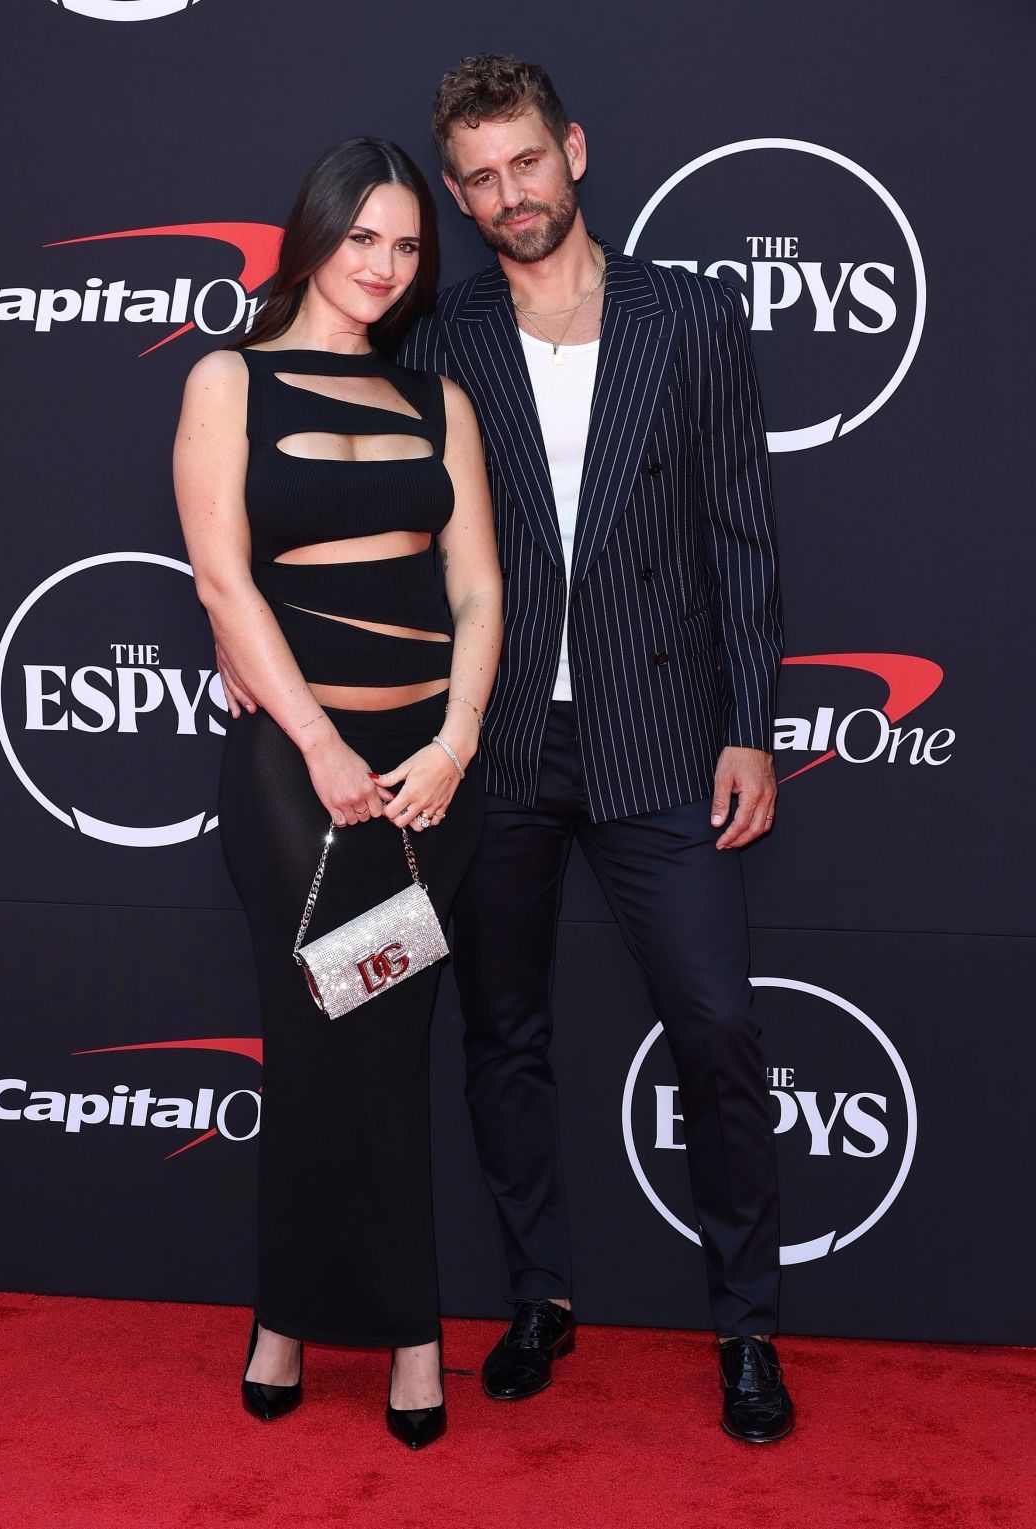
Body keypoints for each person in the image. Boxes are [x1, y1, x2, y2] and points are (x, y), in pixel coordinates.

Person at [398, 56, 794, 1444]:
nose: (511, 194)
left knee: (721, 1031)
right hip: (498, 742)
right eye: (482, 178)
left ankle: (746, 1323)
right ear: (458, 193)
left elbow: (740, 534)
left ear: (572, 150)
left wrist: (751, 720)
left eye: (527, 162)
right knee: (503, 1033)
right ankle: (540, 1294)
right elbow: (403, 549)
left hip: (664, 735)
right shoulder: (441, 342)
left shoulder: (689, 317)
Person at [174, 136, 502, 1451]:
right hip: (296, 781)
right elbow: (221, 581)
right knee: (312, 1043)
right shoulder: (225, 380)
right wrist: (317, 742)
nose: (383, 264)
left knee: (390, 1052)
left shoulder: (443, 405)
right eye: (362, 235)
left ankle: (408, 1332)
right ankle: (291, 1319)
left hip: (428, 786)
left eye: (408, 244)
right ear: (311, 236)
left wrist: (459, 740)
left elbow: (479, 586)